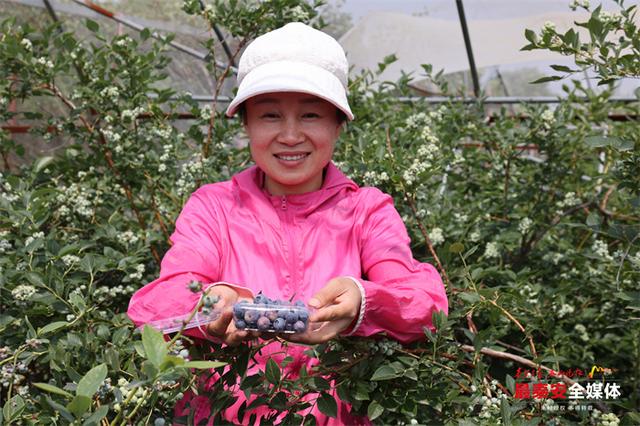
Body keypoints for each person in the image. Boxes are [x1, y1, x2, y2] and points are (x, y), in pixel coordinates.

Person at [127, 22, 448, 425]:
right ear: (246, 124)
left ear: (337, 124)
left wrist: (361, 302)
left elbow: (423, 302)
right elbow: (157, 303)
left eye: (311, 115)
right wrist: (216, 303)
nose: (291, 135)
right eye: (271, 115)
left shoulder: (367, 210)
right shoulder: (214, 206)